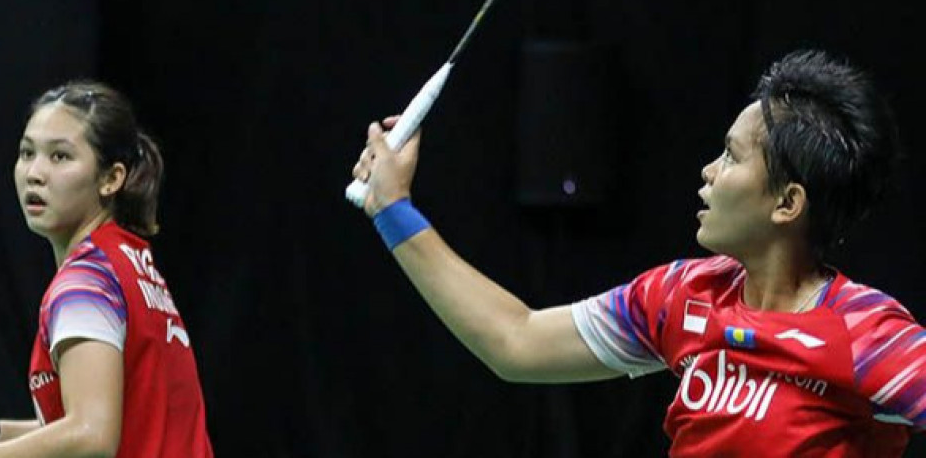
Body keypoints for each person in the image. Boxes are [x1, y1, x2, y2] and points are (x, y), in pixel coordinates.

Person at [351, 49, 925, 456]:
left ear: (787, 202)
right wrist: (393, 209)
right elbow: (515, 340)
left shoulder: (865, 333)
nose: (709, 171)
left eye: (731, 157)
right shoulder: (681, 296)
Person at [0, 81, 213, 458]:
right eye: (27, 152)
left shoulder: (87, 282)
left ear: (111, 178)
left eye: (60, 156)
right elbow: (100, 419)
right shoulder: (127, 262)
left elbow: (91, 435)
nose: (34, 173)